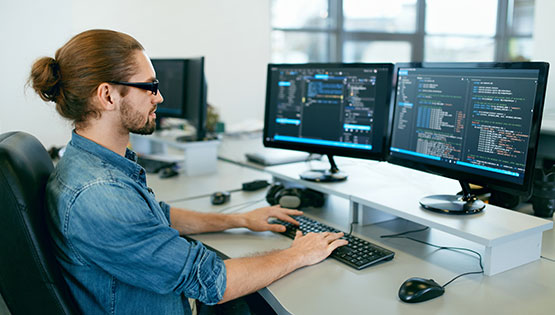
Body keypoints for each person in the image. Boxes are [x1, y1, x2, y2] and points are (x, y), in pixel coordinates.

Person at [29, 29, 347, 314]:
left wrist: (239, 220)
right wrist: (299, 254)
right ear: (108, 96)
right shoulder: (100, 193)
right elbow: (211, 282)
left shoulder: (91, 162)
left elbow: (156, 217)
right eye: (149, 87)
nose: (160, 97)